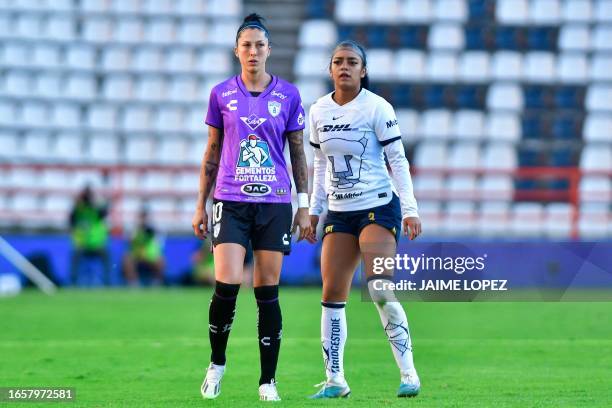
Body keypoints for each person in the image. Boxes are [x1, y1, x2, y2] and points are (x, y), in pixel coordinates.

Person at [191, 13, 311, 402]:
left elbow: (297, 154)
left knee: (266, 291)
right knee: (226, 285)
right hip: (230, 199)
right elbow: (211, 151)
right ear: (237, 51)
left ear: (269, 50)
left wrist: (304, 206)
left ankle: (267, 381)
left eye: (260, 45)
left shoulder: (289, 96)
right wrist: (200, 205)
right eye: (247, 45)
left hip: (275, 203)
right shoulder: (221, 94)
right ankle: (217, 365)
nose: (253, 51)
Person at [306, 40, 423, 398]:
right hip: (340, 214)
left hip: (378, 206)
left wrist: (411, 208)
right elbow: (321, 165)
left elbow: (398, 161)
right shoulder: (318, 111)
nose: (344, 67)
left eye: (352, 62)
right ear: (330, 69)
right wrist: (314, 210)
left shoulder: (377, 107)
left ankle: (409, 375)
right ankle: (335, 380)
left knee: (379, 288)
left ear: (363, 70)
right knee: (332, 294)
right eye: (338, 61)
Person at [69, 185, 111, 286]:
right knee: (75, 254)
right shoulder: (79, 208)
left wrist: (95, 202)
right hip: (82, 244)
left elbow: (104, 213)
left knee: (106, 255)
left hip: (97, 244)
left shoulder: (96, 207)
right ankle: (73, 281)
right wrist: (77, 203)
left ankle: (107, 281)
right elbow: (71, 220)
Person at [122, 208, 164, 286]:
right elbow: (129, 241)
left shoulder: (153, 229)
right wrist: (137, 230)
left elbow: (158, 242)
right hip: (137, 255)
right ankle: (133, 283)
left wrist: (150, 231)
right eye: (142, 217)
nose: (143, 220)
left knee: (160, 261)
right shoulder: (134, 228)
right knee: (127, 259)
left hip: (150, 255)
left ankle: (156, 282)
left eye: (145, 217)